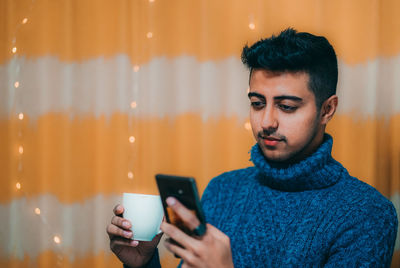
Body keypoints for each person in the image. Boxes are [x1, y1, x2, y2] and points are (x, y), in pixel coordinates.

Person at [106, 28, 398, 267]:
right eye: (257, 103)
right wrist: (143, 264)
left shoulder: (366, 214)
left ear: (327, 110)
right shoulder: (223, 190)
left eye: (286, 106)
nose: (267, 121)